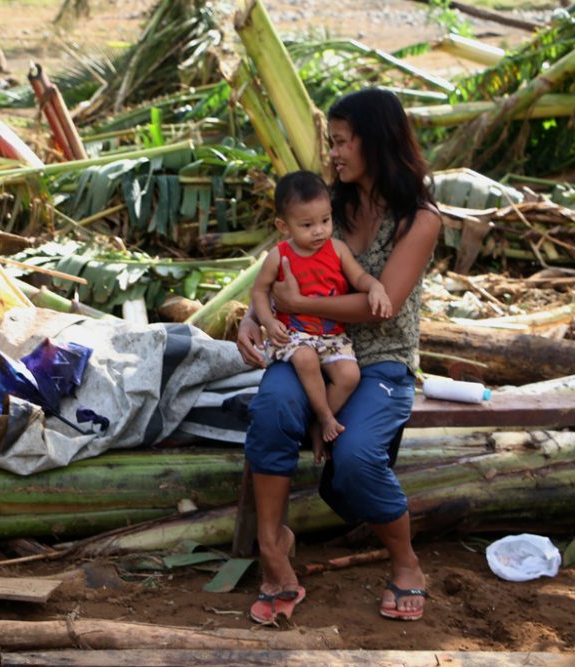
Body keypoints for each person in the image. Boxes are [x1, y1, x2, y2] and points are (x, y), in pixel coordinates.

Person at [237, 88, 440, 624]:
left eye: (343, 142)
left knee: (352, 462)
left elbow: (383, 306)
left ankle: (405, 563)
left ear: (375, 141)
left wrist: (298, 302)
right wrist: (251, 316)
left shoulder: (418, 219)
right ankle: (273, 551)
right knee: (271, 412)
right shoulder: (329, 204)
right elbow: (275, 271)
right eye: (333, 142)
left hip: (381, 362)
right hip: (305, 347)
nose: (334, 153)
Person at [250, 170, 392, 460]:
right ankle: (326, 417)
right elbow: (259, 292)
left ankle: (317, 421)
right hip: (293, 334)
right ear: (284, 225)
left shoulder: (337, 250)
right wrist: (267, 320)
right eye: (307, 225)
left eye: (325, 221)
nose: (318, 231)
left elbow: (360, 276)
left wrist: (376, 287)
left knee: (350, 376)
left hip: (332, 335)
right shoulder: (279, 256)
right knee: (305, 359)